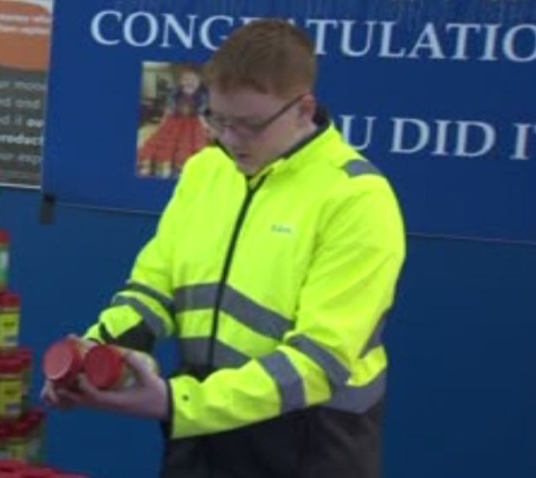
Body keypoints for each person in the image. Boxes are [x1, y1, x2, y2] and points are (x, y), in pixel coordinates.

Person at [43, 19, 405, 478]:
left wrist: (179, 402)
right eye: (218, 119)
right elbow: (156, 289)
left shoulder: (357, 197)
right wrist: (95, 350)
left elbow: (320, 361)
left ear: (303, 108)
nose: (231, 139)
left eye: (250, 125)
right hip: (199, 437)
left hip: (308, 445)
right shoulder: (206, 171)